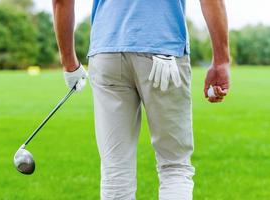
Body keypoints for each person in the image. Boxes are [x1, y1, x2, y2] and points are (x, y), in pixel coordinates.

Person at [52, 0, 230, 199]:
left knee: (115, 173)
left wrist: (69, 62)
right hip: (164, 47)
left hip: (107, 50)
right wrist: (221, 60)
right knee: (174, 167)